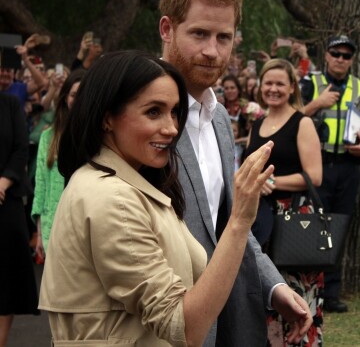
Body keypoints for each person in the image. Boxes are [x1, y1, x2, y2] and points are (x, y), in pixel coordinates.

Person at [39, 50, 277, 346]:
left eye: (175, 112)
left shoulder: (131, 185)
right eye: (153, 111)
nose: (171, 128)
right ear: (107, 118)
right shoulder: (114, 198)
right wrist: (240, 220)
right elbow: (184, 327)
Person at [158, 0, 312, 345]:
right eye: (199, 34)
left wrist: (274, 286)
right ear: (167, 29)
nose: (213, 50)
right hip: (163, 325)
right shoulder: (136, 116)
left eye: (223, 37)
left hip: (228, 322)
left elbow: (230, 224)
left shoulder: (221, 120)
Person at [300, 34, 360, 313]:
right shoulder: (311, 84)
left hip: (349, 166)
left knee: (338, 227)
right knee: (313, 227)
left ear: (352, 60)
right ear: (326, 55)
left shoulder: (359, 88)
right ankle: (310, 290)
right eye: (336, 54)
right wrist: (316, 105)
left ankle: (331, 293)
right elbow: (288, 116)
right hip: (317, 164)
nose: (340, 59)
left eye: (346, 56)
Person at [245, 59, 323, 346]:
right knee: (265, 291)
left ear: (291, 88)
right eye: (269, 83)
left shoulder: (302, 123)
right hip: (259, 217)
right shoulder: (256, 124)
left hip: (295, 219)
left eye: (280, 83)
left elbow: (314, 176)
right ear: (260, 87)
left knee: (297, 292)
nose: (273, 89)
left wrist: (271, 182)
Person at [31, 69, 85, 259]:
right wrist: (39, 233)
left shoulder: (98, 136)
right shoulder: (48, 137)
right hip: (53, 225)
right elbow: (41, 186)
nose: (78, 100)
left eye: (83, 95)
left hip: (84, 224)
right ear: (65, 98)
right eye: (73, 95)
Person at [0, 91, 39, 346]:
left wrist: (3, 183)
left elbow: (21, 148)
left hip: (7, 200)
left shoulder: (10, 104)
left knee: (5, 281)